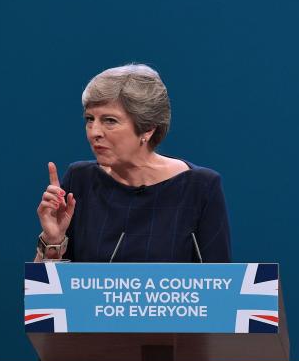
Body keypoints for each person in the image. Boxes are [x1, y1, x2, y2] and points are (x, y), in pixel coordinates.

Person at [35, 64, 232, 263]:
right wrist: (53, 240)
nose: (94, 132)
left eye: (109, 120)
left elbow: (222, 287)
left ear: (147, 129)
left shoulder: (200, 187)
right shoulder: (80, 180)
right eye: (89, 119)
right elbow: (46, 291)